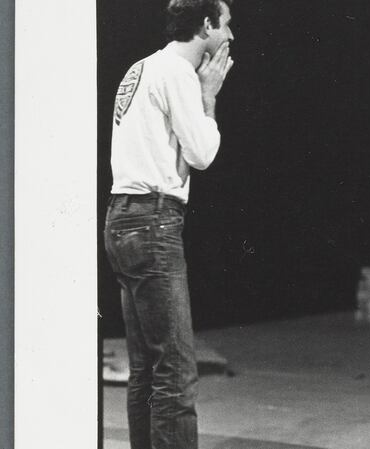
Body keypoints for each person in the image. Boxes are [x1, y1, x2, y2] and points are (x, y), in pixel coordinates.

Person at [103, 0, 234, 447]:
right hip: (153, 221)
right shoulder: (178, 74)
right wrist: (209, 98)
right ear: (205, 26)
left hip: (122, 220)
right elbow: (202, 153)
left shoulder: (141, 68)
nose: (230, 37)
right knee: (176, 372)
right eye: (226, 25)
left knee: (146, 370)